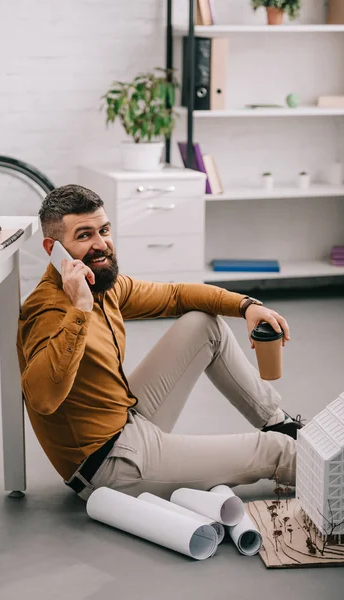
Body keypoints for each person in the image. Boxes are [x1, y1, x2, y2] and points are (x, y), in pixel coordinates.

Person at [17, 184, 301, 502]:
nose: (101, 245)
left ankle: (281, 423)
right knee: (279, 453)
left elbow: (176, 295)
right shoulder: (47, 310)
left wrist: (247, 306)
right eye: (84, 236)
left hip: (126, 420)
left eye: (104, 230)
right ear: (52, 248)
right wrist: (80, 309)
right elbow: (42, 399)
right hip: (109, 465)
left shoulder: (101, 284)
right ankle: (325, 469)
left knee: (205, 324)